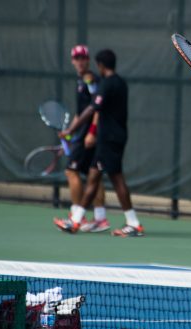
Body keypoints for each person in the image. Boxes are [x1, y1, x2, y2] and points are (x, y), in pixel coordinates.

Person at [54, 49, 144, 237]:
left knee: (116, 179)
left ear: (101, 65)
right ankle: (76, 221)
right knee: (94, 177)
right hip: (113, 138)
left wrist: (70, 131)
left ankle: (133, 224)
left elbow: (91, 110)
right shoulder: (120, 83)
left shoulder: (107, 84)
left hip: (109, 140)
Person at [60, 45, 109, 233]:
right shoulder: (81, 81)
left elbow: (97, 108)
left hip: (90, 136)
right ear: (73, 61)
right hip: (84, 135)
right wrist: (70, 133)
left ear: (88, 60)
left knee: (71, 171)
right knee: (92, 175)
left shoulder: (90, 80)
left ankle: (76, 216)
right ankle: (100, 219)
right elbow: (81, 112)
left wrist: (92, 133)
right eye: (76, 58)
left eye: (83, 58)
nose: (80, 61)